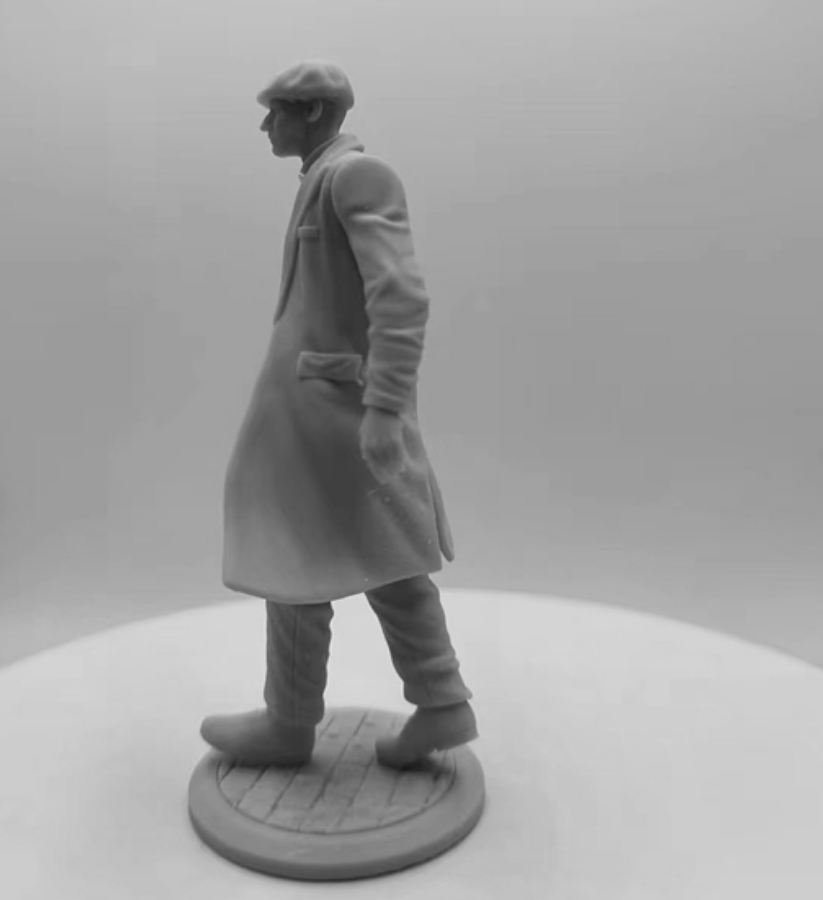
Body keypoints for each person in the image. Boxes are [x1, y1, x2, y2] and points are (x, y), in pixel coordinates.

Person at [200, 60, 477, 769]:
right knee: (303, 557)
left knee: (367, 556)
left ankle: (403, 708)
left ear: (315, 112)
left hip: (338, 416)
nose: (266, 124)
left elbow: (401, 297)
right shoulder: (320, 179)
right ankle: (318, 716)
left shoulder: (356, 176)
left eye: (277, 110)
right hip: (308, 417)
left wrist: (383, 408)